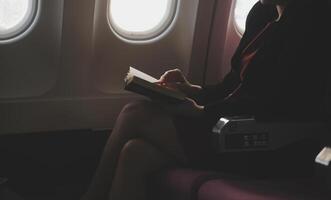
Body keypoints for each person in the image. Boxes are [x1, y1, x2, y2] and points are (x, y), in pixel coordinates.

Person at [82, 0, 329, 199]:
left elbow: (272, 104)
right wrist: (191, 90)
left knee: (135, 114)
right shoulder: (261, 14)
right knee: (135, 153)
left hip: (265, 143)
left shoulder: (314, 26)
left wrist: (201, 112)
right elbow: (233, 86)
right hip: (229, 127)